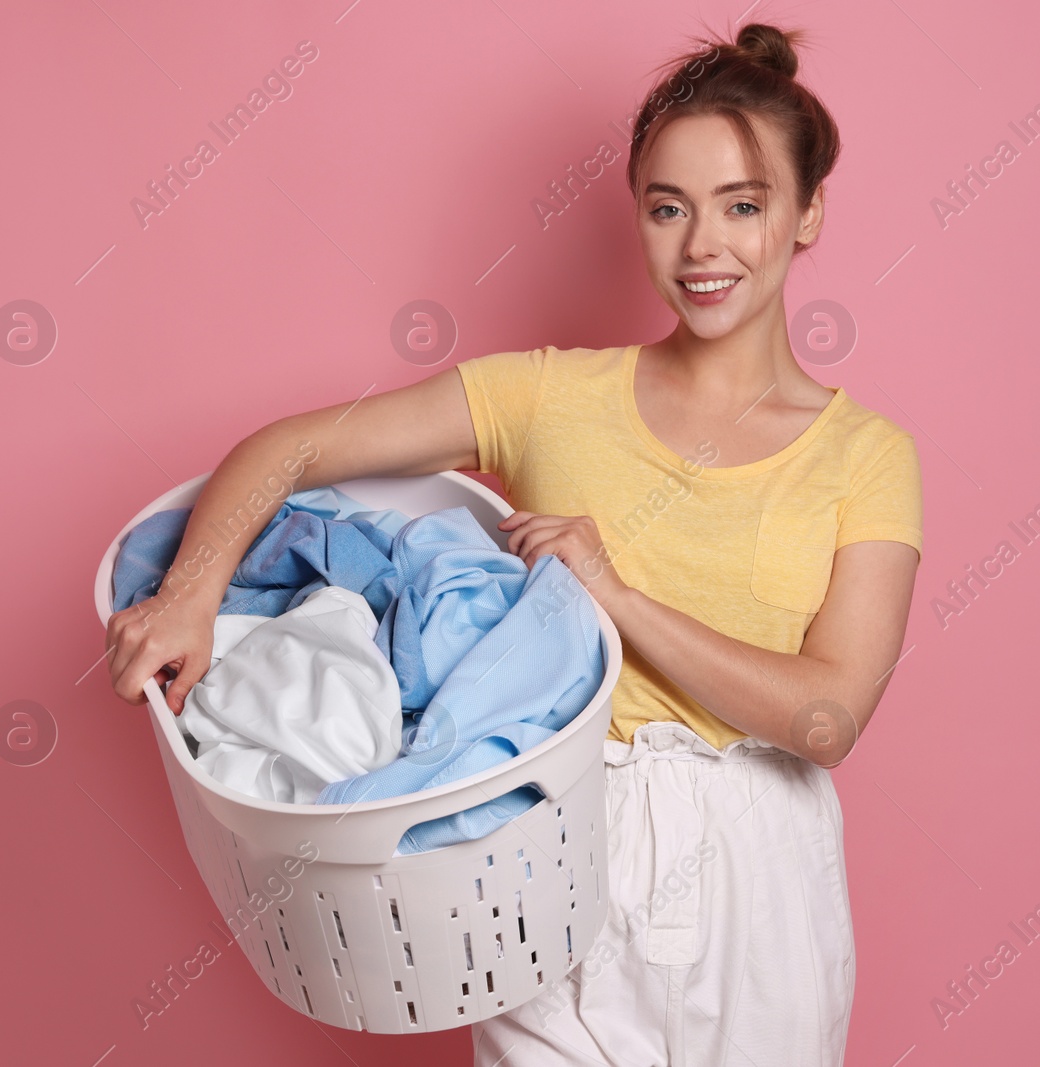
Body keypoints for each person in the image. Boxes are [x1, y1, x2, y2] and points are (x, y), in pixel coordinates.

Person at [104, 19, 920, 1067]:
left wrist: (616, 598)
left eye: (743, 206)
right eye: (667, 208)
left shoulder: (864, 453)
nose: (701, 247)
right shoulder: (546, 395)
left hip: (757, 863)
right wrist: (188, 593)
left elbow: (828, 713)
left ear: (807, 214)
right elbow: (294, 448)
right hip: (547, 834)